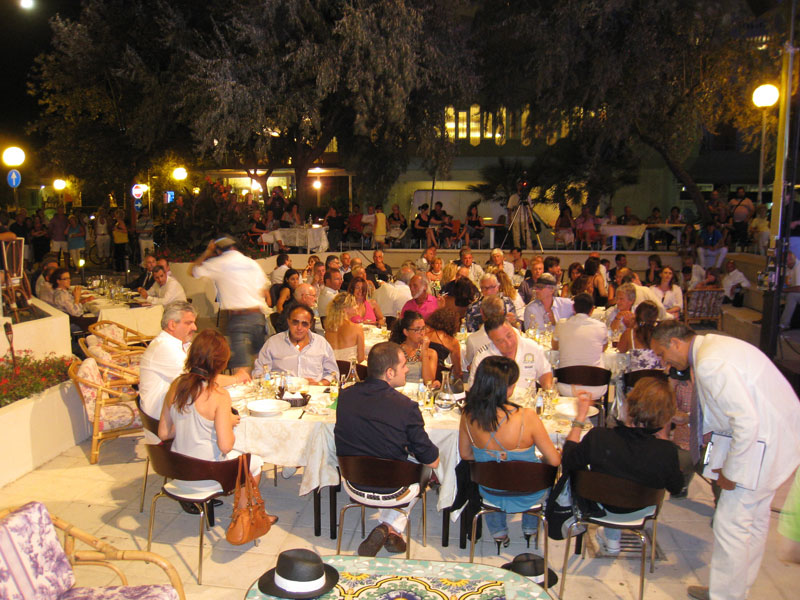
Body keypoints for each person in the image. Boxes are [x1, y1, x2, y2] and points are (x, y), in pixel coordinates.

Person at [650, 321, 800, 600]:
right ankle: (734, 589)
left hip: (759, 448)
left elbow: (746, 422)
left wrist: (732, 471)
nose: (664, 362)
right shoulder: (714, 348)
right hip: (777, 437)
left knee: (730, 525)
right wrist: (688, 419)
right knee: (752, 522)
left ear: (675, 343)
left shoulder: (710, 362)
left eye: (661, 353)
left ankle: (725, 595)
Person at [334, 341, 440, 555]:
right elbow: (431, 459)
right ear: (390, 373)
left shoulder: (345, 396)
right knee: (427, 469)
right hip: (394, 489)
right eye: (403, 366)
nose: (408, 369)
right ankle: (391, 527)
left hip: (353, 482)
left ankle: (390, 528)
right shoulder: (406, 407)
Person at [157, 329, 274, 520]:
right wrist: (227, 422)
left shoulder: (177, 385)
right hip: (207, 475)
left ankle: (247, 514)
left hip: (178, 470)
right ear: (221, 362)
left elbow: (164, 434)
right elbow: (226, 445)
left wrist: (191, 425)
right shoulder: (218, 395)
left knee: (243, 459)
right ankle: (243, 516)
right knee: (255, 462)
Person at [561, 377, 683, 556]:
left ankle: (611, 537)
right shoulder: (666, 451)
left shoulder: (599, 437)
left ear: (628, 405)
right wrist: (664, 435)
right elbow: (677, 487)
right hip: (640, 509)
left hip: (600, 504)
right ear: (666, 417)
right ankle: (612, 538)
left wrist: (580, 417)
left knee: (613, 476)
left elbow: (568, 460)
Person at [459, 356, 561, 548]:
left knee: (495, 477)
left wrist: (491, 462)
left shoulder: (468, 415)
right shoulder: (526, 417)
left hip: (491, 490)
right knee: (541, 472)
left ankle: (499, 533)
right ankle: (530, 529)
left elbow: (465, 455)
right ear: (507, 388)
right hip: (530, 490)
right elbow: (554, 460)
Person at [139, 302, 246, 438]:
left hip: (175, 410)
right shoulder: (164, 347)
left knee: (224, 406)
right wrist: (237, 378)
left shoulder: (180, 344)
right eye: (188, 323)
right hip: (164, 422)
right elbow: (199, 379)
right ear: (172, 325)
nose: (195, 327)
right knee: (227, 416)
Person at [190, 236, 268, 375]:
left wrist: (207, 253)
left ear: (218, 251)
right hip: (258, 316)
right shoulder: (251, 263)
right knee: (261, 362)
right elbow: (264, 291)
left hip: (239, 318)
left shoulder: (219, 263)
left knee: (241, 368)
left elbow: (193, 271)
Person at [253, 305, 338, 383]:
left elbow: (333, 374)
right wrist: (271, 383)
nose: (299, 328)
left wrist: (319, 384)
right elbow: (259, 372)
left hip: (314, 393)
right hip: (282, 393)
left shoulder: (321, 343)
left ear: (310, 325)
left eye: (304, 324)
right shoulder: (273, 343)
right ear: (288, 321)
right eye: (295, 323)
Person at [468, 314, 552, 389]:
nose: (508, 343)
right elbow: (475, 390)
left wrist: (547, 389)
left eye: (509, 335)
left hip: (528, 402)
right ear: (491, 340)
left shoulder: (532, 347)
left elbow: (544, 372)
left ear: (513, 329)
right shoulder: (483, 357)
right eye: (500, 341)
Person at [552, 293, 608, 398]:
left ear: (573, 308)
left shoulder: (561, 324)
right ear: (592, 310)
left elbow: (554, 347)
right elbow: (603, 348)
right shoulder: (601, 326)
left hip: (567, 385)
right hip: (596, 385)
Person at [389, 310, 438, 386]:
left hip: (420, 393)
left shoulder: (431, 353)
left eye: (423, 328)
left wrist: (424, 351)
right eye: (417, 329)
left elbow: (428, 382)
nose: (422, 333)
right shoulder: (396, 351)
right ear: (406, 332)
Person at [617, 301, 664, 371]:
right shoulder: (662, 334)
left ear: (636, 314)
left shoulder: (630, 333)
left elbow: (621, 350)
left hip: (637, 379)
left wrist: (631, 326)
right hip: (658, 378)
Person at [463, 295, 505, 373]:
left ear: (481, 312)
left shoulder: (473, 339)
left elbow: (467, 363)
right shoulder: (515, 334)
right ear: (502, 312)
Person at [324, 292, 365, 363]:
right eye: (354, 305)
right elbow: (361, 359)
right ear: (345, 309)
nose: (357, 306)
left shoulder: (328, 329)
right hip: (349, 370)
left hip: (333, 369)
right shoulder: (357, 328)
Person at [425, 307, 463, 380]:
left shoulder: (426, 335)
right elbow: (457, 371)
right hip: (438, 375)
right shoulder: (452, 342)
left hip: (423, 370)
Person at [779, 251, 800, 330]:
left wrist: (784, 290)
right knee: (771, 293)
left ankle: (784, 324)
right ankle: (767, 318)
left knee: (792, 296)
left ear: (791, 259)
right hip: (792, 291)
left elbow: (798, 288)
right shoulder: (787, 267)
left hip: (796, 293)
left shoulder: (798, 267)